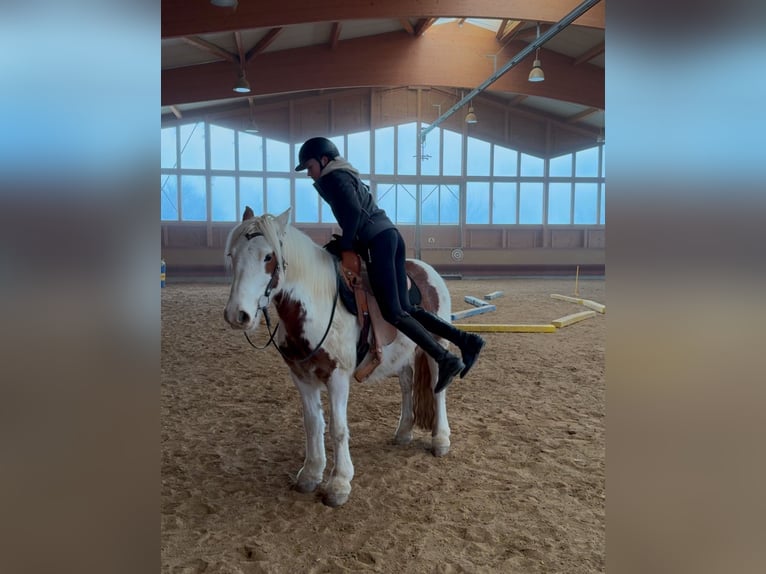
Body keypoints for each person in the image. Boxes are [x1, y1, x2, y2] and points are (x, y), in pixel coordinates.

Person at [295, 136, 485, 393]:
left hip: (375, 243)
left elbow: (351, 213)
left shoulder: (333, 178)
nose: (309, 173)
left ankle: (445, 359)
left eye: (309, 166)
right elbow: (357, 212)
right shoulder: (344, 175)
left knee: (393, 312)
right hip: (388, 235)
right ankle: (466, 340)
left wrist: (348, 245)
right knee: (406, 307)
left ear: (324, 160)